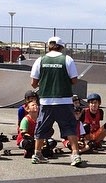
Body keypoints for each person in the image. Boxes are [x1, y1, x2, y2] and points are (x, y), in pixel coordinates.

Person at [29, 36, 82, 166]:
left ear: (48, 46)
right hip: (64, 100)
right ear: (61, 47)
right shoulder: (67, 59)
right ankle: (75, 155)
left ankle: (37, 154)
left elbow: (33, 84)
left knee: (41, 127)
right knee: (70, 127)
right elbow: (74, 80)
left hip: (46, 101)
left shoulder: (40, 60)